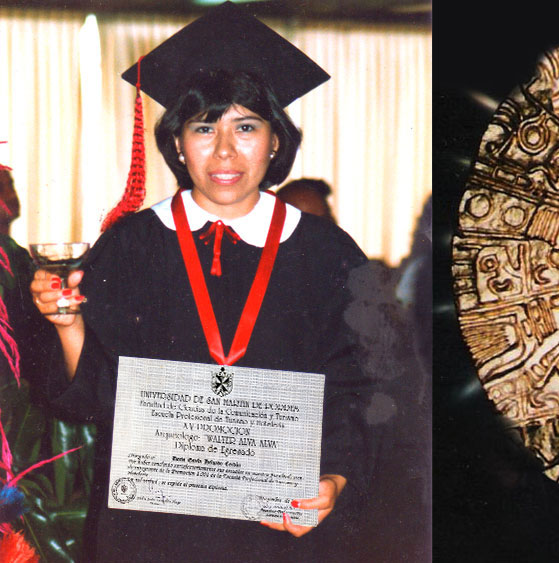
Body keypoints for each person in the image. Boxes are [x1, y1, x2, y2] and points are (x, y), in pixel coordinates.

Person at [28, 3, 374, 560]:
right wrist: (68, 325)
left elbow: (359, 387)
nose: (225, 152)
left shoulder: (326, 252)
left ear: (276, 140)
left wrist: (333, 479)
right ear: (178, 143)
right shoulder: (133, 243)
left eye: (246, 126)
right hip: (151, 529)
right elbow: (93, 393)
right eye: (204, 128)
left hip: (277, 524)